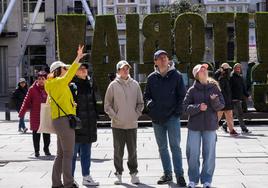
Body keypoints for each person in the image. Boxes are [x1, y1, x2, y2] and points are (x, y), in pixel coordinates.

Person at [45, 45, 86, 188]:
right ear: (57, 71)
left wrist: (71, 105)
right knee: (68, 153)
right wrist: (78, 58)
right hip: (63, 121)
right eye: (64, 68)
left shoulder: (54, 84)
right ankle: (68, 183)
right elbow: (70, 75)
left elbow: (62, 100)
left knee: (61, 154)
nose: (66, 70)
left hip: (60, 120)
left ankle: (56, 183)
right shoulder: (58, 82)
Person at [144, 50, 187, 186]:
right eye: (160, 58)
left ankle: (179, 175)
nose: (163, 60)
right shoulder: (151, 78)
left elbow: (182, 96)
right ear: (155, 61)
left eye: (165, 57)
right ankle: (167, 174)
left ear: (168, 60)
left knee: (175, 147)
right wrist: (150, 104)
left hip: (172, 118)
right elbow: (147, 96)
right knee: (162, 148)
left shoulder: (177, 76)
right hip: (157, 119)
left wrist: (177, 112)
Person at [183, 64, 225, 188]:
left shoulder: (214, 87)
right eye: (202, 70)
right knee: (193, 154)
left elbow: (221, 105)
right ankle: (193, 180)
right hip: (194, 127)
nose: (205, 71)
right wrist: (198, 107)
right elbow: (184, 107)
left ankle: (207, 180)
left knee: (209, 154)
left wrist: (214, 101)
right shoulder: (192, 90)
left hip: (210, 126)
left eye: (205, 69)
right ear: (196, 75)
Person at [104, 60, 144, 185]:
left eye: (127, 68)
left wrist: (135, 115)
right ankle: (118, 174)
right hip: (117, 125)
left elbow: (140, 103)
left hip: (132, 124)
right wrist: (115, 117)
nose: (125, 70)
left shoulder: (135, 84)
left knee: (132, 151)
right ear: (118, 71)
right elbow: (107, 105)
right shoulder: (113, 85)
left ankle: (133, 174)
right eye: (123, 68)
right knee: (118, 151)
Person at [70, 63, 99, 186]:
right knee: (72, 154)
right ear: (75, 72)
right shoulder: (72, 86)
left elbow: (93, 103)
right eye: (80, 69)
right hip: (76, 125)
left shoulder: (90, 84)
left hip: (89, 124)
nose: (84, 70)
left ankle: (86, 176)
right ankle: (69, 178)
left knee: (86, 153)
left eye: (85, 68)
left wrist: (95, 119)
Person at [19, 71, 51, 157]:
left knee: (46, 134)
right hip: (35, 115)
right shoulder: (32, 89)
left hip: (46, 114)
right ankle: (36, 151)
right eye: (39, 79)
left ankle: (46, 149)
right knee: (36, 134)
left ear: (46, 79)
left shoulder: (49, 88)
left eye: (43, 79)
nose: (41, 81)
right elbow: (26, 101)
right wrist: (22, 113)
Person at [217, 63, 238, 136]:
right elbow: (221, 91)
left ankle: (231, 130)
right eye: (228, 70)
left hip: (228, 101)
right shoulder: (222, 79)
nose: (229, 71)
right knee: (218, 117)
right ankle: (211, 129)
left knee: (230, 117)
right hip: (223, 102)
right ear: (224, 70)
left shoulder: (226, 79)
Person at [230, 63, 251, 133]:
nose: (238, 69)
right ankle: (244, 128)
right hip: (233, 98)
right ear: (234, 69)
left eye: (239, 68)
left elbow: (243, 88)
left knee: (235, 114)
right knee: (239, 114)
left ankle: (225, 125)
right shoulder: (231, 77)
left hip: (239, 98)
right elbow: (229, 88)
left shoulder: (240, 77)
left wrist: (247, 95)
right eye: (237, 68)